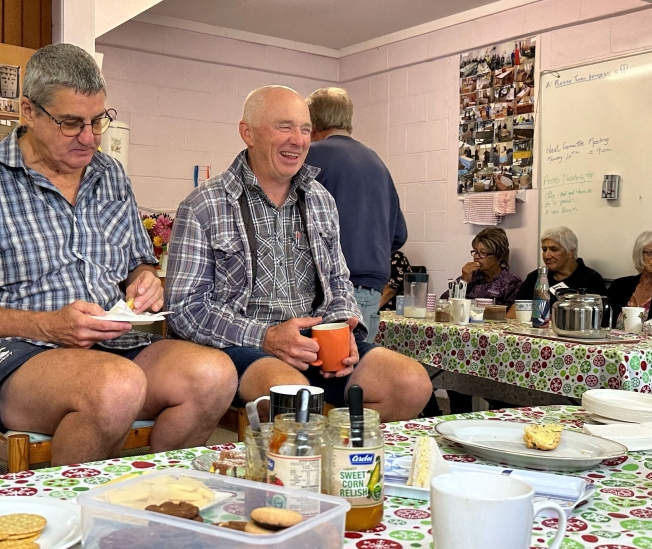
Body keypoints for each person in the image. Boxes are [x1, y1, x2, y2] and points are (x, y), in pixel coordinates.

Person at [0, 44, 237, 464]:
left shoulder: (110, 175)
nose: (89, 138)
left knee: (214, 375)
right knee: (114, 386)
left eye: (97, 121)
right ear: (28, 111)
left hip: (109, 350)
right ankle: (73, 519)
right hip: (8, 357)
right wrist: (48, 327)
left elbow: (137, 264)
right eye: (71, 123)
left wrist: (144, 281)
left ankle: (152, 503)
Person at [165, 85, 431, 421]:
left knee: (410, 383)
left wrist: (344, 330)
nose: (299, 139)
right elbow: (184, 309)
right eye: (284, 127)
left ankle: (337, 463)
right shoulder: (203, 204)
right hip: (241, 346)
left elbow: (338, 282)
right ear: (247, 132)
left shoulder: (320, 199)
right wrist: (265, 337)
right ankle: (303, 460)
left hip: (314, 345)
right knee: (297, 399)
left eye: (305, 129)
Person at [303, 87, 407, 337]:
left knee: (320, 372)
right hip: (371, 287)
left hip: (325, 290)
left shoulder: (310, 157)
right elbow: (399, 235)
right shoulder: (376, 162)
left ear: (313, 122)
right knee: (357, 367)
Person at [510, 226, 606, 317]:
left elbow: (600, 320)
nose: (547, 256)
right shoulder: (536, 276)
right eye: (544, 249)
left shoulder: (591, 279)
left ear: (571, 251)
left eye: (554, 249)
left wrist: (548, 319)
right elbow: (513, 313)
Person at [441, 228, 522, 305]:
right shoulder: (471, 275)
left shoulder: (511, 282)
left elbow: (513, 314)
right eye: (475, 252)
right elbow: (443, 302)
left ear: (498, 256)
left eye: (483, 253)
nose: (476, 257)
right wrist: (464, 282)